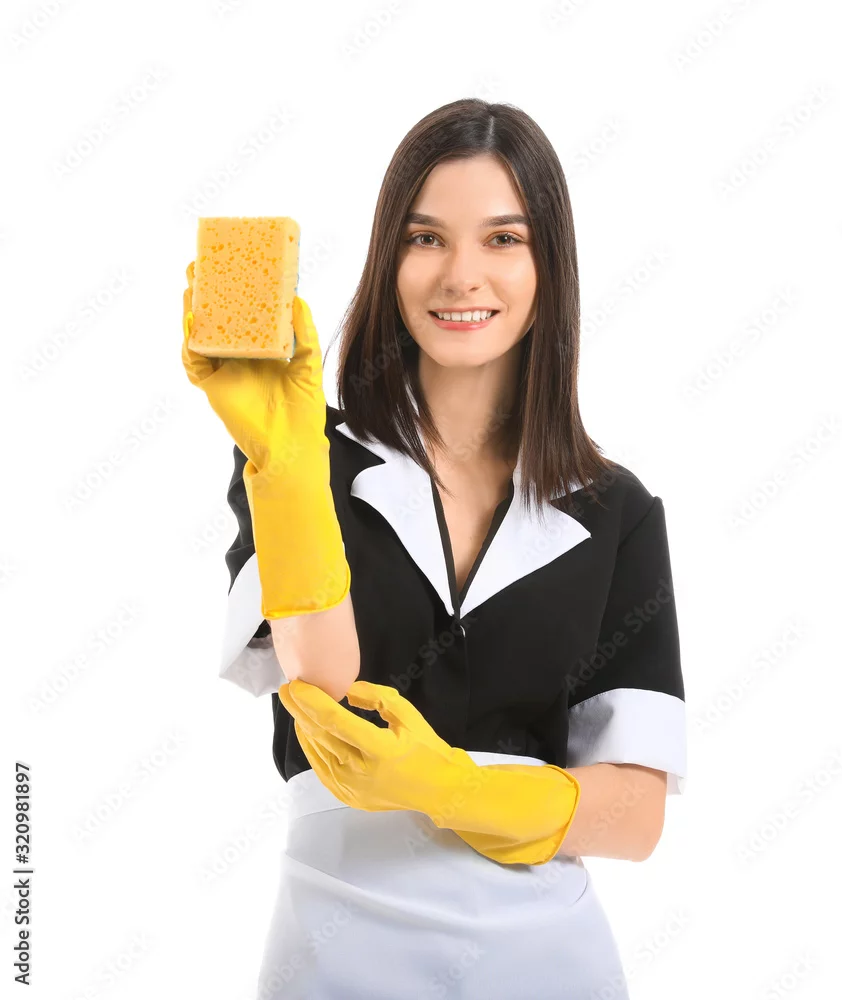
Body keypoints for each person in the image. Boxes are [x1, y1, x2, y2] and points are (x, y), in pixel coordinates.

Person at [182, 98, 686, 1000]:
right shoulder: (298, 459)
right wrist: (287, 464)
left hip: (550, 963)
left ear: (548, 265)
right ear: (388, 259)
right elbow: (323, 689)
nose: (461, 275)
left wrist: (451, 787)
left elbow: (635, 814)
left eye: (503, 239)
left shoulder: (617, 512)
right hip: (335, 953)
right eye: (425, 239)